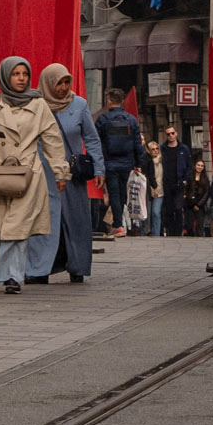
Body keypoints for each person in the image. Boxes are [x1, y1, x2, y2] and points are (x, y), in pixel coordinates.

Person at [0, 57, 59, 288]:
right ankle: (11, 272)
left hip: (28, 172)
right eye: (15, 74)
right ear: (5, 76)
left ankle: (13, 277)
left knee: (18, 226)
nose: (21, 78)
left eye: (24, 74)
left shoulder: (38, 104)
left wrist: (61, 171)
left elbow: (52, 139)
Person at [45, 63, 101, 283]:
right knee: (46, 222)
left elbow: (92, 138)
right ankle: (41, 268)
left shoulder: (79, 104)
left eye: (66, 81)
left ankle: (77, 267)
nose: (63, 87)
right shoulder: (38, 106)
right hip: (46, 173)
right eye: (58, 82)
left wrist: (99, 168)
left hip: (73, 174)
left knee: (77, 221)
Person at [96, 90, 147, 234]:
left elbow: (96, 142)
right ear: (123, 101)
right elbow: (138, 144)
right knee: (122, 192)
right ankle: (119, 223)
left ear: (109, 101)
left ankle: (118, 225)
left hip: (110, 162)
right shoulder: (131, 120)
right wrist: (138, 163)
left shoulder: (103, 119)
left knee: (114, 194)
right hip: (127, 162)